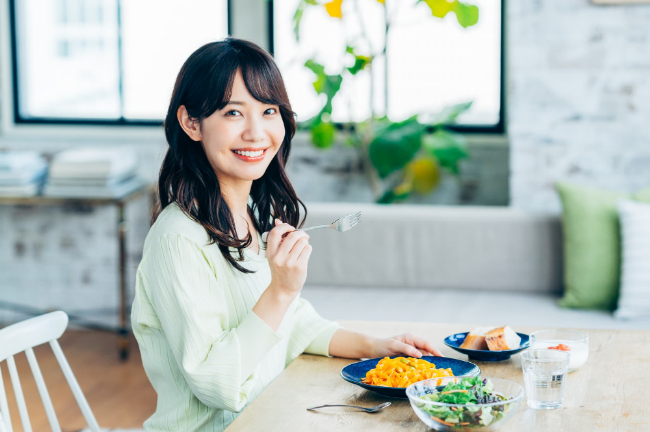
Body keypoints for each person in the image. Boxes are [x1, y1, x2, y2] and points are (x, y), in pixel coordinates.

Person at [131, 38, 442, 432]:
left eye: (268, 111)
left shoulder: (252, 214)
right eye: (232, 113)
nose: (256, 132)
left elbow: (289, 324)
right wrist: (280, 291)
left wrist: (374, 348)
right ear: (192, 123)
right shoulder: (177, 239)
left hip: (270, 417)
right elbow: (215, 383)